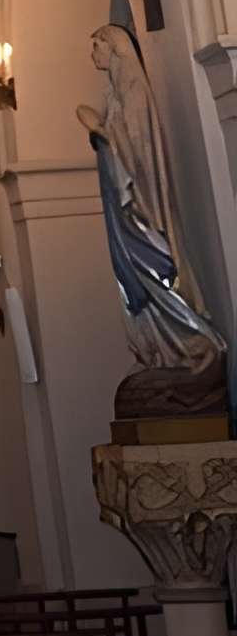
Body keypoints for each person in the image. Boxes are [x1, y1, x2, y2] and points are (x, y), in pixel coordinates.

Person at [79, 25, 224, 381]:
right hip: (121, 206)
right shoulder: (115, 94)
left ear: (115, 49)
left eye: (97, 45)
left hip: (139, 207)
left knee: (154, 269)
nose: (92, 53)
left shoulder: (133, 90)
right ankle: (163, 351)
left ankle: (197, 344)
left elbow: (136, 154)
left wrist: (98, 129)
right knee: (134, 277)